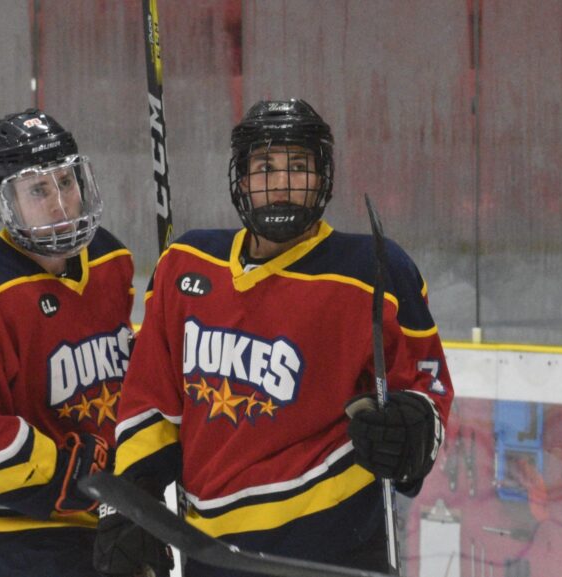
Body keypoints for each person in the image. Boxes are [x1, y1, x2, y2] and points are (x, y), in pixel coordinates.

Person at [94, 99, 454, 576]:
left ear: (323, 176)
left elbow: (425, 383)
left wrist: (413, 428)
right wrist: (132, 503)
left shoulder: (371, 270)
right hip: (210, 551)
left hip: (332, 549)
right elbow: (151, 400)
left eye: (299, 166)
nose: (282, 183)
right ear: (241, 180)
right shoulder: (186, 264)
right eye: (265, 167)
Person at [0, 108, 135, 577]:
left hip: (102, 511)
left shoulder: (111, 259)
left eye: (66, 182)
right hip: (9, 529)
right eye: (39, 190)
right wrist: (76, 473)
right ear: (4, 201)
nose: (61, 203)